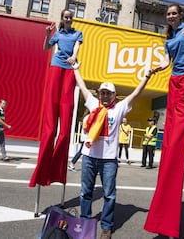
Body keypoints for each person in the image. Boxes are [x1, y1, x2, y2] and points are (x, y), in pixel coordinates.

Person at [72, 62, 153, 239]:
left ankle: (106, 227)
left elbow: (136, 92)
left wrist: (147, 76)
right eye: (103, 92)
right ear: (99, 94)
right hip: (89, 156)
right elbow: (82, 86)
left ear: (114, 95)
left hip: (109, 160)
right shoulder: (93, 103)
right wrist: (76, 68)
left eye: (109, 93)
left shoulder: (120, 107)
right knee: (86, 192)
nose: (105, 95)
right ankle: (85, 221)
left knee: (109, 194)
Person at [144, 3, 184, 238]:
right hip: (174, 79)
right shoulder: (167, 37)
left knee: (178, 130)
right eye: (168, 14)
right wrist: (157, 68)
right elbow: (168, 61)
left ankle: (177, 149)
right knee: (169, 132)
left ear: (180, 15)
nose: (170, 16)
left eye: (173, 13)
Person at [29, 10, 83, 187]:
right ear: (62, 19)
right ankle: (42, 169)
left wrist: (74, 57)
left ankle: (57, 171)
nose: (68, 19)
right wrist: (47, 35)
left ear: (72, 19)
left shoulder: (77, 33)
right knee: (50, 122)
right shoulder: (58, 34)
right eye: (65, 17)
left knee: (65, 113)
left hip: (69, 68)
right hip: (56, 66)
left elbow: (76, 47)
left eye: (70, 17)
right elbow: (46, 48)